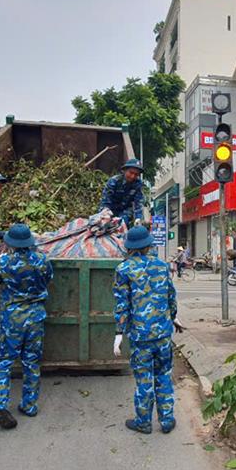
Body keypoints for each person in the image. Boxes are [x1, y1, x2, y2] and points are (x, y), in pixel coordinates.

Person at [112, 226, 184, 434]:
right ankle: (167, 419)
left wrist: (119, 333)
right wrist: (174, 317)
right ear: (148, 244)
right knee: (163, 375)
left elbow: (122, 305)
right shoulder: (162, 266)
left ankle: (143, 421)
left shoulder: (124, 270)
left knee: (144, 379)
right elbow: (171, 295)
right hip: (163, 334)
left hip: (141, 336)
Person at [0, 224, 54, 429]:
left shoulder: (4, 262)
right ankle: (29, 405)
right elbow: (49, 279)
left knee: (5, 361)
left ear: (10, 243)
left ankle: (0, 404)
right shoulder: (42, 260)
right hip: (35, 318)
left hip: (12, 318)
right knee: (31, 361)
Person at [99, 159, 144, 227]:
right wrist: (106, 215)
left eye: (136, 174)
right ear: (125, 170)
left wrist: (138, 218)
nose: (132, 176)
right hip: (109, 209)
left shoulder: (138, 184)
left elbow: (138, 203)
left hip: (124, 211)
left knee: (123, 223)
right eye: (131, 173)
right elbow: (106, 200)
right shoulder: (114, 181)